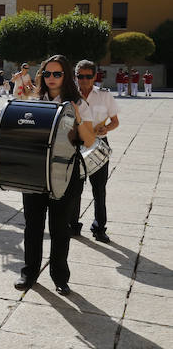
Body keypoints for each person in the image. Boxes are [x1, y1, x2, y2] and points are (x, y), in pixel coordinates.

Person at [0, 55, 95, 296]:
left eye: (57, 74)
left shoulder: (77, 102)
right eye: (47, 74)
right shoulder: (34, 100)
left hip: (64, 173)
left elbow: (89, 140)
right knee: (32, 226)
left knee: (59, 228)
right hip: (35, 171)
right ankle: (29, 272)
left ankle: (60, 276)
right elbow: (23, 129)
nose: (51, 78)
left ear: (66, 77)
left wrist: (78, 116)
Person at [72, 60, 118, 243]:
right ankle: (73, 225)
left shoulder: (105, 96)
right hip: (76, 144)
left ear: (94, 76)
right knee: (74, 188)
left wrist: (107, 129)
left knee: (99, 189)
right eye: (80, 76)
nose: (84, 80)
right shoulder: (69, 95)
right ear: (75, 77)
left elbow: (115, 121)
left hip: (99, 144)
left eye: (88, 76)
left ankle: (99, 228)